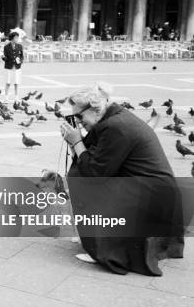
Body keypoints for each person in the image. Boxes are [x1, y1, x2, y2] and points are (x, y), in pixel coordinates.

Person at [60, 84, 184, 276]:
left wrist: (76, 141)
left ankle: (104, 249)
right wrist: (77, 141)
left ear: (94, 110)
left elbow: (95, 174)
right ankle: (98, 236)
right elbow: (97, 157)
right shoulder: (114, 117)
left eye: (79, 116)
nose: (78, 121)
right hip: (157, 194)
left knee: (82, 178)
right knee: (82, 173)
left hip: (151, 198)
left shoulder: (115, 126)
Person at [2, 31, 24, 100]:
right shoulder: (6, 47)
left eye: (18, 37)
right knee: (8, 82)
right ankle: (6, 96)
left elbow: (22, 56)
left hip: (17, 67)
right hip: (9, 66)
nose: (17, 39)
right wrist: (3, 57)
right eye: (16, 38)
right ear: (12, 38)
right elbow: (5, 57)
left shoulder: (20, 46)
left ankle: (16, 96)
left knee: (16, 82)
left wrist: (20, 61)